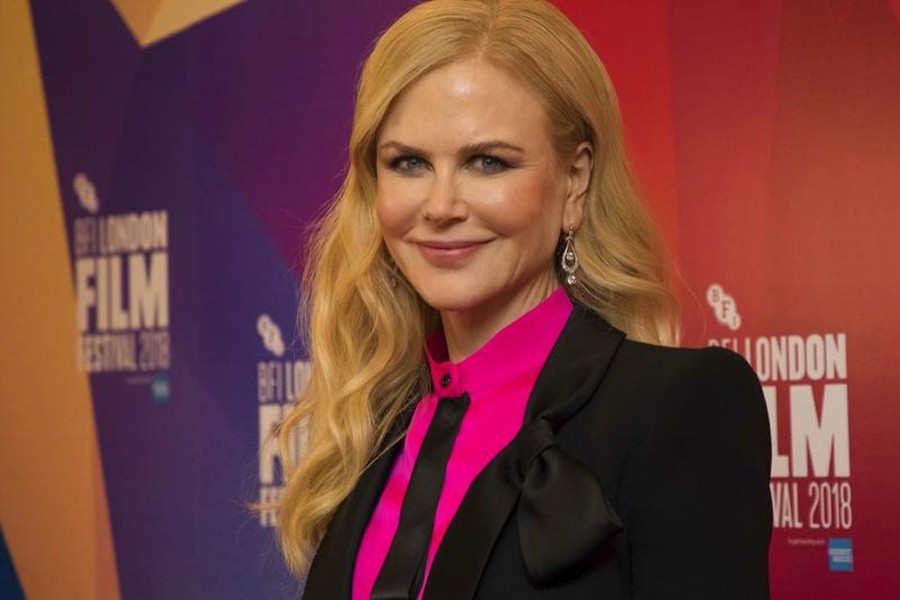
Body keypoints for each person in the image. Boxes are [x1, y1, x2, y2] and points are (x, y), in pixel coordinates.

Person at [275, 0, 772, 598]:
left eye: (487, 162)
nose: (440, 205)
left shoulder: (678, 405)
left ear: (574, 180)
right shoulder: (371, 427)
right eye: (408, 163)